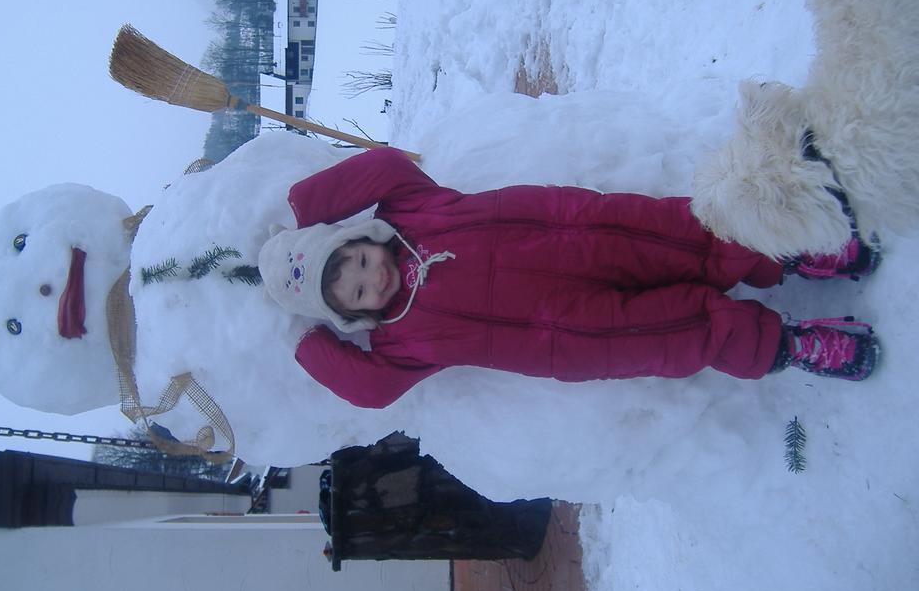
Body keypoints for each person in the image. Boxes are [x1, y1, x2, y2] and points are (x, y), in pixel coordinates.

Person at [258, 148, 881, 409]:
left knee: (697, 240)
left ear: (360, 236)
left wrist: (301, 216)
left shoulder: (411, 208)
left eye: (360, 259)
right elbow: (369, 392)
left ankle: (789, 254)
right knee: (683, 333)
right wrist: (305, 342)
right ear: (355, 317)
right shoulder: (399, 346)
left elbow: (384, 164)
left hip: (592, 235)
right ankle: (789, 344)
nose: (376, 278)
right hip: (576, 335)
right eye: (360, 293)